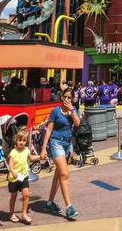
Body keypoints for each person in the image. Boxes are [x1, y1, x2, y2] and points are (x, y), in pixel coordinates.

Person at [40, 87, 80, 220]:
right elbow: (49, 130)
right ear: (61, 97)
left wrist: (72, 110)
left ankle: (50, 203)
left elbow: (77, 123)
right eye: (65, 97)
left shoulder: (72, 110)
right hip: (56, 143)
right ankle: (69, 207)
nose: (66, 100)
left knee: (58, 175)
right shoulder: (55, 111)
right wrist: (43, 148)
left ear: (72, 99)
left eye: (69, 97)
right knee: (64, 173)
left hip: (67, 144)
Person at [8, 128, 41, 224]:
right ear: (16, 140)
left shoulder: (26, 150)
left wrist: (39, 156)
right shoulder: (13, 152)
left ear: (26, 141)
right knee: (13, 196)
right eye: (20, 140)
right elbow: (10, 164)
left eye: (24, 140)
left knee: (26, 195)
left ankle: (23, 214)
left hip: (24, 176)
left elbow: (31, 158)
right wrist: (13, 171)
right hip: (14, 178)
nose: (21, 142)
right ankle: (11, 214)